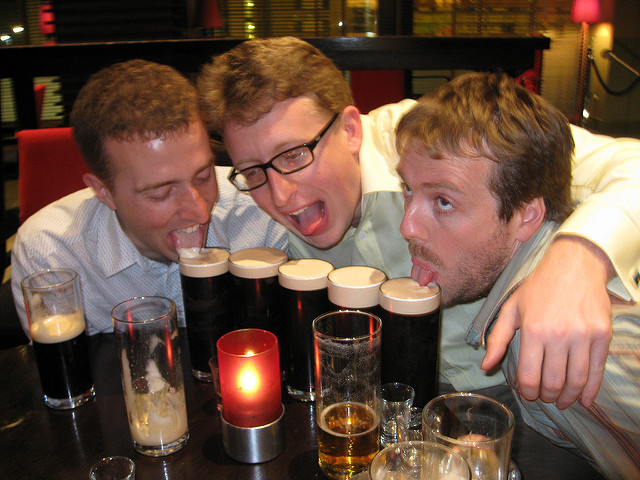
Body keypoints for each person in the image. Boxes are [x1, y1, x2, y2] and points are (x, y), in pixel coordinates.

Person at [197, 36, 640, 410]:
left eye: (295, 155)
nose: (280, 196)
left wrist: (580, 259)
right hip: (401, 409)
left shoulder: (432, 141)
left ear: (350, 129)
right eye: (254, 172)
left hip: (524, 396)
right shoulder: (250, 194)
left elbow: (630, 163)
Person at [395, 71, 639, 480]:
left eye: (443, 201)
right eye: (407, 189)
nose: (407, 226)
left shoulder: (566, 335)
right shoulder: (516, 310)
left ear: (527, 216)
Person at [11, 59, 287, 337]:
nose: (201, 212)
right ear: (104, 191)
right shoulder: (53, 253)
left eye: (203, 176)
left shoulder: (262, 210)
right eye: (161, 193)